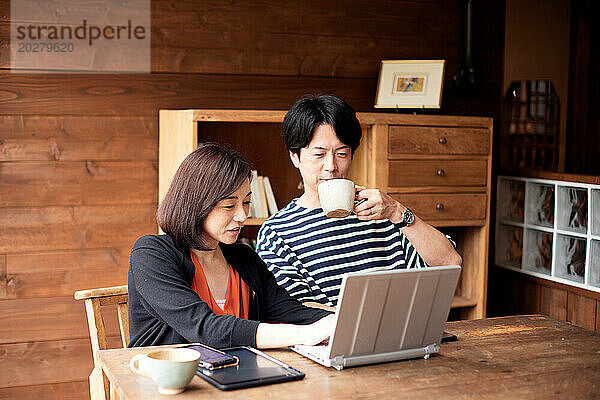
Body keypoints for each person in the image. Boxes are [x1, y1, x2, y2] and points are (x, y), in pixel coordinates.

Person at [256, 94, 462, 310]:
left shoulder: (382, 211)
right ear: (294, 157)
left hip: (401, 338)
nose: (331, 167)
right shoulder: (277, 233)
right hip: (335, 341)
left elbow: (449, 262)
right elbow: (296, 309)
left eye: (342, 154)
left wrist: (397, 212)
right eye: (319, 154)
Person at [128, 142, 334, 349]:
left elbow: (290, 312)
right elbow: (205, 329)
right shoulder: (152, 253)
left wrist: (343, 320)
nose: (242, 216)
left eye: (246, 203)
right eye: (229, 206)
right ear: (197, 204)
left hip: (235, 374)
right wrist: (305, 334)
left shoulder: (243, 257)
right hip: (165, 378)